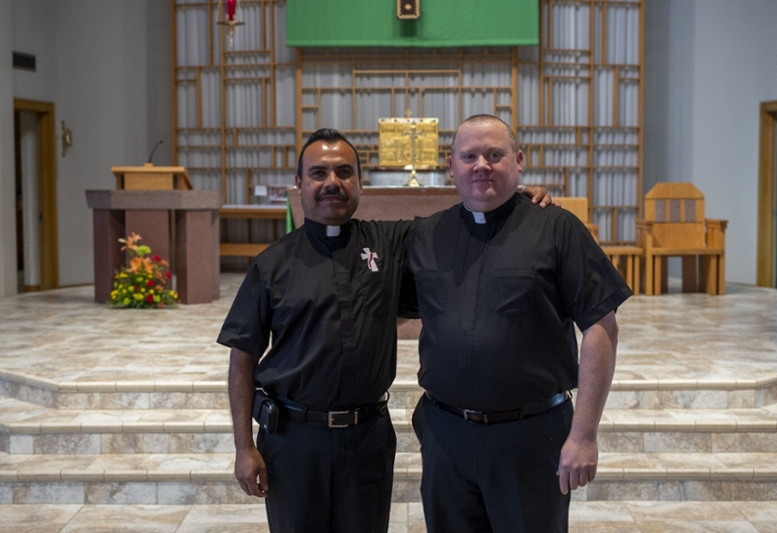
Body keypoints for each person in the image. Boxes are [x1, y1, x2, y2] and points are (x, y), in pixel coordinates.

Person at [217, 127, 553, 533]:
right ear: (299, 183)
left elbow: (459, 219)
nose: (332, 183)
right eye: (319, 173)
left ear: (360, 182)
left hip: (367, 440)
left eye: (344, 172)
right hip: (292, 441)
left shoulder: (390, 243)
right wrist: (243, 446)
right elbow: (242, 359)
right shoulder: (270, 264)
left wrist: (510, 196)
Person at [403, 115, 632, 532]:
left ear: (519, 160)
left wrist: (583, 435)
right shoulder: (424, 236)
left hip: (531, 437)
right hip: (446, 437)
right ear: (450, 166)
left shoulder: (556, 228)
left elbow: (602, 326)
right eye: (469, 156)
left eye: (495, 154)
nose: (481, 166)